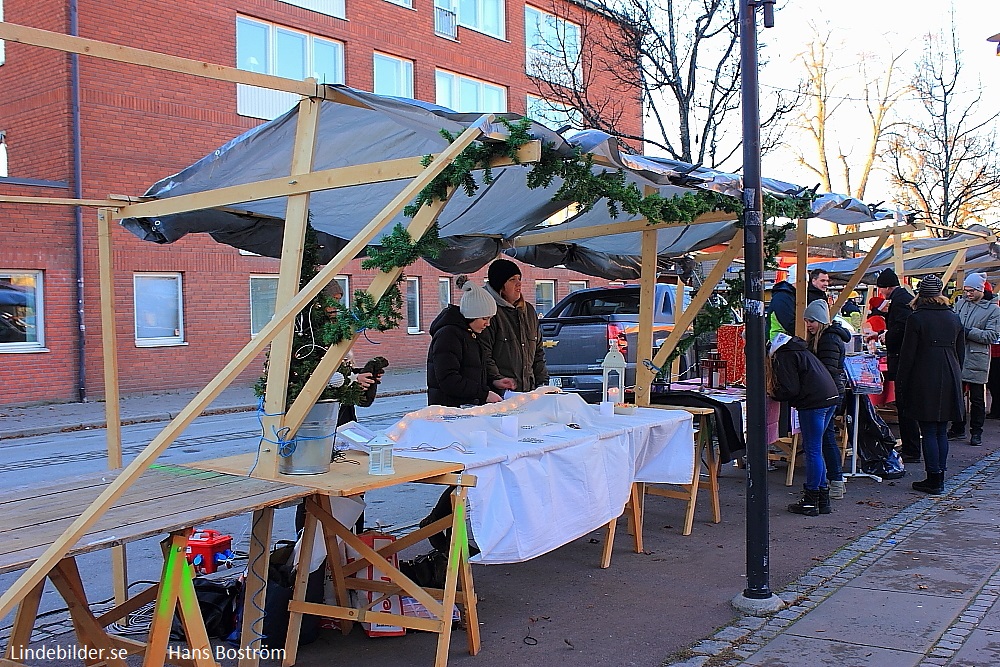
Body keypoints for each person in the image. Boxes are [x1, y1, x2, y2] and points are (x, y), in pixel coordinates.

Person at [895, 275, 965, 494]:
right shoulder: (954, 318)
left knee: (928, 428)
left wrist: (902, 382)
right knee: (941, 430)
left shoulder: (917, 319)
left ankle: (933, 478)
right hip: (950, 372)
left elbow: (908, 355)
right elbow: (960, 353)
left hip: (925, 376)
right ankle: (939, 476)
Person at [766, 332, 841, 516]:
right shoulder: (797, 349)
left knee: (813, 449)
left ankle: (811, 499)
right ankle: (822, 498)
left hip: (814, 402)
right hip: (828, 397)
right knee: (817, 448)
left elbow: (790, 389)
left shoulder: (783, 355)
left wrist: (773, 394)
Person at [427, 281, 504, 407]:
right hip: (450, 412)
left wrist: (494, 383)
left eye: (490, 318)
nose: (488, 324)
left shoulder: (471, 334)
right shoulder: (448, 336)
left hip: (466, 408)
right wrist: (484, 394)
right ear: (471, 315)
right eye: (484, 318)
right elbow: (449, 380)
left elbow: (473, 372)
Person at [803, 300, 851, 500]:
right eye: (807, 321)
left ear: (821, 320)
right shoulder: (824, 338)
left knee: (823, 441)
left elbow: (827, 370)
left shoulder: (828, 339)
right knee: (825, 439)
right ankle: (832, 483)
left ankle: (829, 484)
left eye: (812, 321)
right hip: (830, 394)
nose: (809, 325)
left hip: (826, 395)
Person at [479, 258, 549, 393]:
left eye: (519, 278)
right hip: (501, 395)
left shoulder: (528, 311)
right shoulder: (489, 312)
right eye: (512, 279)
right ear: (500, 285)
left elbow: (538, 352)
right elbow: (484, 354)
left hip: (529, 392)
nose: (519, 283)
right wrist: (497, 379)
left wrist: (542, 384)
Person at [948, 272, 1000, 446]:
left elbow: (991, 335)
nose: (967, 294)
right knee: (956, 394)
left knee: (977, 399)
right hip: (958, 355)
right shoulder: (961, 304)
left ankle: (976, 432)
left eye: (971, 290)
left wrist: (968, 332)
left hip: (977, 357)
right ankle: (958, 427)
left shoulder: (993, 309)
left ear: (980, 290)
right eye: (965, 290)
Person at [876, 268, 921, 462]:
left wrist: (887, 337)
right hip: (904, 360)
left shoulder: (900, 301)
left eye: (881, 289)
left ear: (887, 287)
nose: (881, 293)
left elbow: (901, 329)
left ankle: (911, 450)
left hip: (902, 360)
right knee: (905, 406)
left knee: (905, 407)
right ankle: (912, 448)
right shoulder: (903, 298)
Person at [766, 269, 829, 341]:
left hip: (785, 339)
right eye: (806, 282)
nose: (807, 285)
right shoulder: (783, 297)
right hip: (778, 341)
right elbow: (790, 323)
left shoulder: (793, 295)